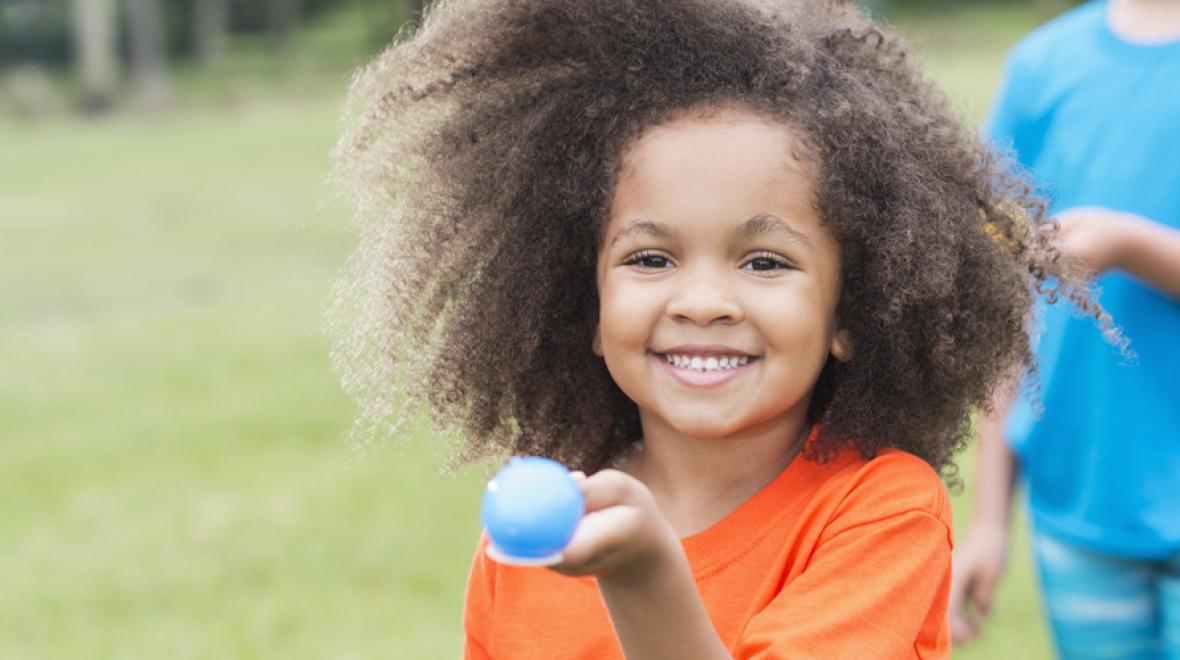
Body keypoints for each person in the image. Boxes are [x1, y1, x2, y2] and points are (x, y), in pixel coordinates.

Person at [331, 0, 1108, 657]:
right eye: (651, 257)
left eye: (765, 263)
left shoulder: (882, 512)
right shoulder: (544, 528)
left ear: (849, 315)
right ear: (587, 310)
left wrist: (643, 577)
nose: (704, 301)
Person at [948, 0, 1180, 657]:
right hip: (1079, 502)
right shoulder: (1043, 66)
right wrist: (990, 520)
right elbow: (1002, 297)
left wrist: (1130, 245)